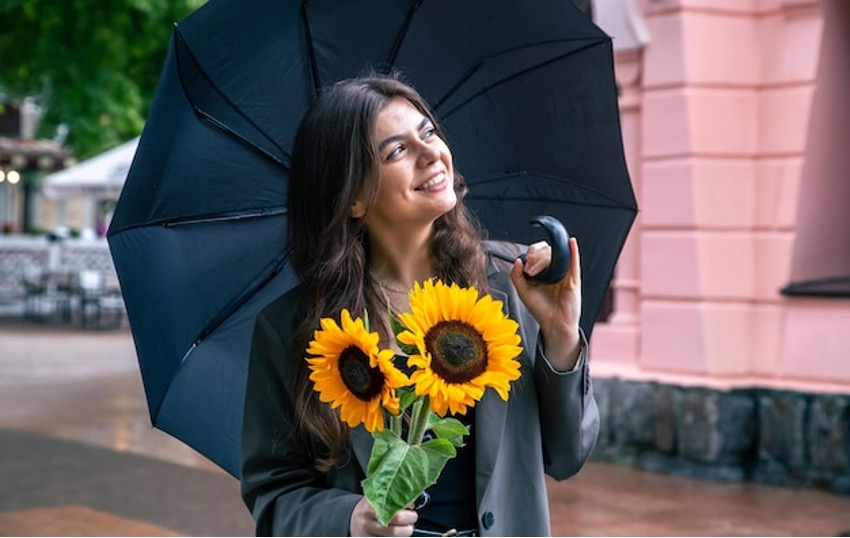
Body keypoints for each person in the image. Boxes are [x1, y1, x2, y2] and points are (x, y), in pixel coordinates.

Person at [240, 73, 600, 537]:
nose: (431, 153)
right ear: (352, 197)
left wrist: (562, 335)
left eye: (428, 132)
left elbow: (568, 455)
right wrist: (347, 520)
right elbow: (273, 493)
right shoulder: (294, 328)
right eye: (397, 150)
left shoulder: (511, 284)